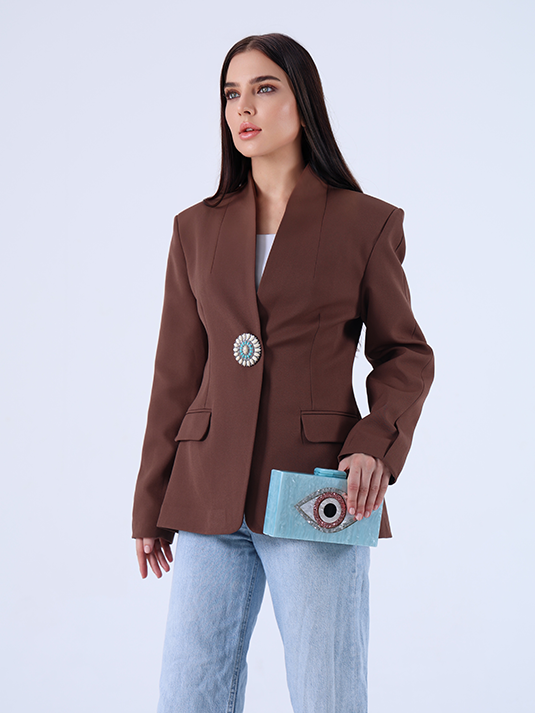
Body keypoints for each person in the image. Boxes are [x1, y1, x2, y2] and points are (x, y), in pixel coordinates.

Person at [132, 32, 434, 713]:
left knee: (327, 695)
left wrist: (373, 445)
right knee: (188, 695)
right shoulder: (194, 229)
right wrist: (150, 500)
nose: (243, 107)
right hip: (207, 495)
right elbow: (176, 372)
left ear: (303, 103)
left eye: (263, 88)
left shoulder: (365, 223)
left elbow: (406, 353)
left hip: (315, 487)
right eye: (231, 93)